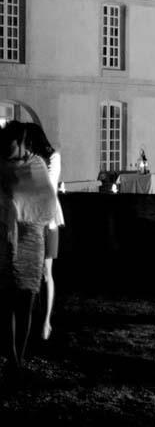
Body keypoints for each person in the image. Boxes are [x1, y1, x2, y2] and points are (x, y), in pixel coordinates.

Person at [0, 121, 58, 377]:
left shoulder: (37, 165)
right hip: (7, 236)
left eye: (14, 143)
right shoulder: (2, 167)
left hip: (33, 237)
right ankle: (12, 356)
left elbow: (48, 198)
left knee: (26, 301)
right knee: (7, 301)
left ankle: (18, 358)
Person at [23, 123, 64, 342]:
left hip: (46, 219)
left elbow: (47, 184)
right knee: (39, 272)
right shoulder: (39, 159)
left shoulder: (48, 159)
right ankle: (39, 319)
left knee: (46, 272)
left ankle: (45, 320)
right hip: (40, 218)